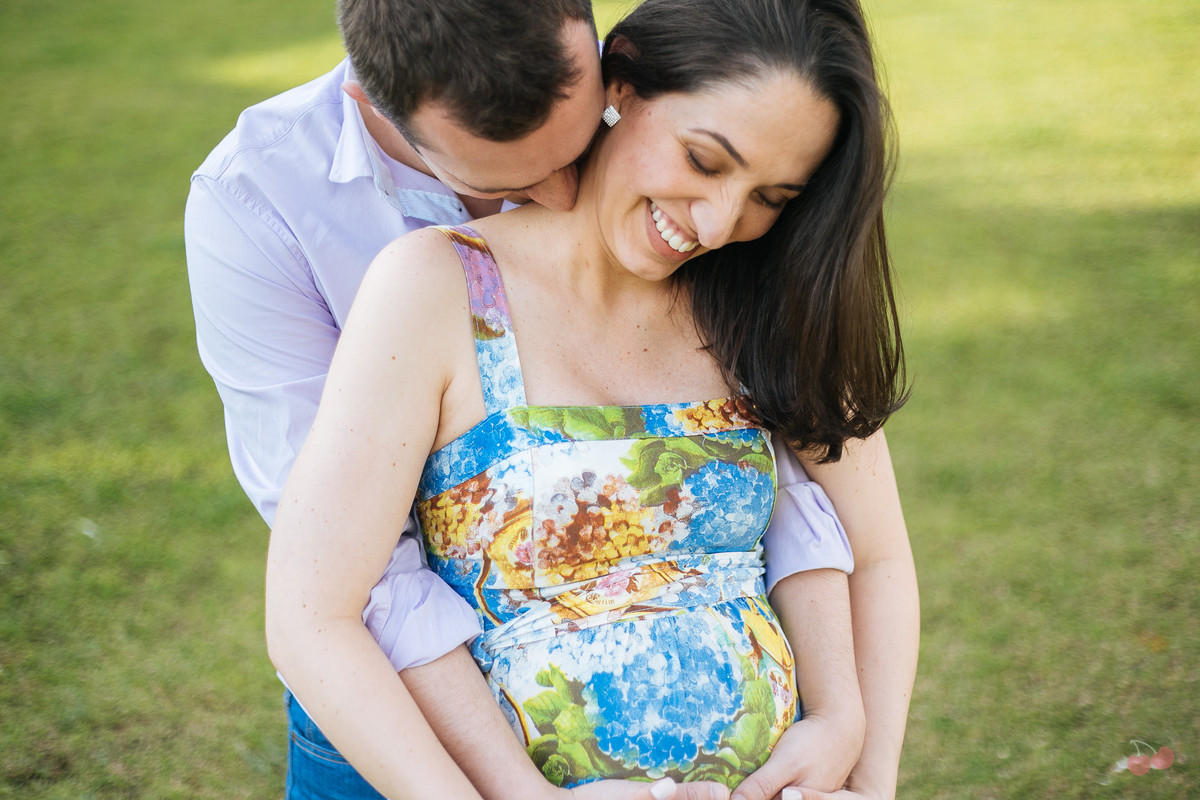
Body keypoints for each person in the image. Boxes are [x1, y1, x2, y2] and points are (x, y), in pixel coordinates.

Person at [186, 0, 916, 797]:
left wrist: (856, 756)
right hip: (415, 738)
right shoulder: (362, 252)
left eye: (772, 196)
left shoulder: (754, 287)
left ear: (604, 68)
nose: (716, 224)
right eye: (704, 161)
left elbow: (857, 537)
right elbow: (335, 596)